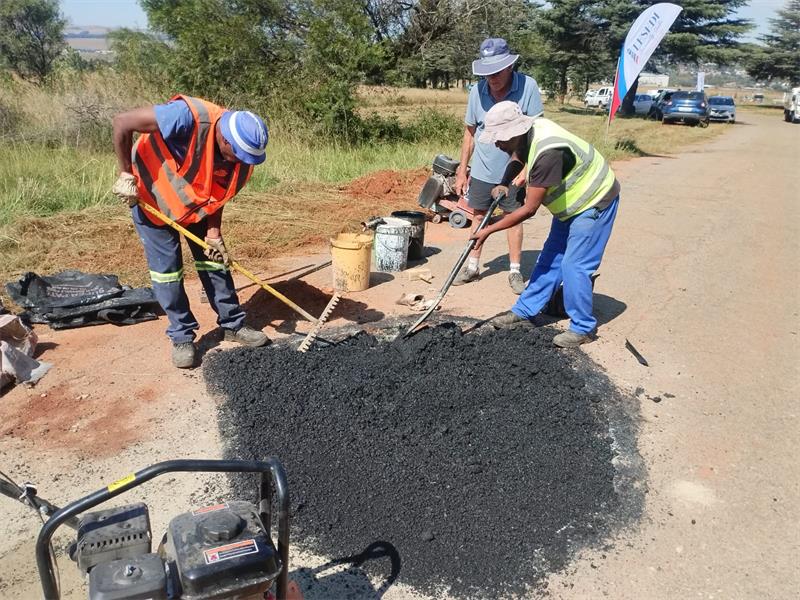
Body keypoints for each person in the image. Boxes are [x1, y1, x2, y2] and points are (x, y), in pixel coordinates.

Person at [111, 95, 271, 368]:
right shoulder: (187, 117)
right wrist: (126, 174)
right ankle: (182, 336)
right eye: (238, 156)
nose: (241, 163)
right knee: (168, 272)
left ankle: (233, 324)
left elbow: (220, 194)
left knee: (214, 261)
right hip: (151, 199)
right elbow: (122, 122)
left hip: (196, 206)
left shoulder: (242, 163)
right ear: (225, 140)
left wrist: (213, 234)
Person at [471, 101, 620, 348]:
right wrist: (505, 182)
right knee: (550, 258)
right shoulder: (528, 132)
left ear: (515, 132)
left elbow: (528, 209)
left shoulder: (548, 154)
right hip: (569, 205)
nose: (497, 143)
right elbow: (518, 155)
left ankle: (583, 327)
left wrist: (487, 230)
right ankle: (525, 311)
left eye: (500, 139)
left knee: (574, 265)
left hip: (595, 200)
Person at [452, 38, 543, 294]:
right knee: (478, 215)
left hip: (513, 169)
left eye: (497, 72)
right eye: (487, 73)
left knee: (513, 218)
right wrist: (462, 170)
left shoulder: (527, 86)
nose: (491, 78)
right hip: (482, 167)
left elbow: (535, 131)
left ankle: (515, 271)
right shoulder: (476, 91)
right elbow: (469, 133)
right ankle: (472, 266)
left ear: (510, 67)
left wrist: (526, 169)